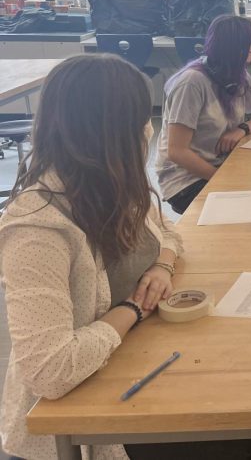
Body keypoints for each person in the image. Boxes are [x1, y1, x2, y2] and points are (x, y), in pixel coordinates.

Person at [0, 54, 183, 460]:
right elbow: (50, 370)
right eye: (142, 119)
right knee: (249, 444)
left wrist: (162, 265)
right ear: (116, 132)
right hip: (80, 425)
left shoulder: (114, 185)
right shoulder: (37, 227)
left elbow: (169, 231)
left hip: (130, 368)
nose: (148, 130)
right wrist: (134, 308)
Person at [156, 15, 251, 214]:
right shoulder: (191, 82)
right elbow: (177, 151)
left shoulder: (235, 73)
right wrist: (222, 179)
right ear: (242, 49)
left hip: (221, 165)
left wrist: (242, 129)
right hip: (187, 181)